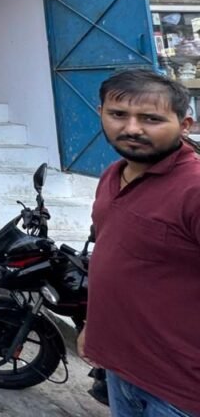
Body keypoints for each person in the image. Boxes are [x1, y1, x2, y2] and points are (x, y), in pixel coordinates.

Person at [78, 69, 200, 417]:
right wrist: (92, 327)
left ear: (184, 124)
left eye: (151, 119)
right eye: (118, 114)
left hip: (181, 391)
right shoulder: (113, 175)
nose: (132, 129)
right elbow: (114, 259)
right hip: (122, 372)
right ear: (100, 113)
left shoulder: (193, 189)